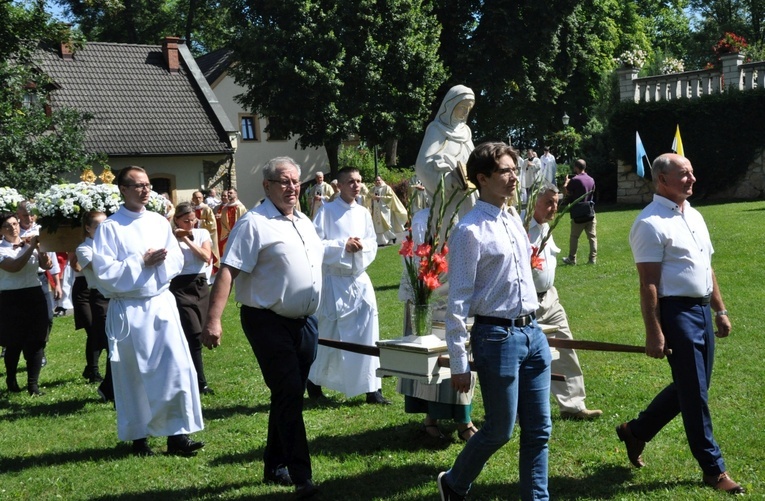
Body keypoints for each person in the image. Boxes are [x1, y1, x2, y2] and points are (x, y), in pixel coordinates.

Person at [617, 153, 744, 495]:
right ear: (662, 180)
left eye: (691, 172)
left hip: (702, 310)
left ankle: (636, 431)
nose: (692, 179)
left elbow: (707, 267)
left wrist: (720, 310)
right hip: (676, 313)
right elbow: (649, 284)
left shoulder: (694, 216)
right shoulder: (650, 223)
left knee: (692, 387)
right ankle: (714, 470)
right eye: (684, 174)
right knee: (695, 394)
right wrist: (654, 330)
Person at [202, 156, 322, 498]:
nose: (292, 188)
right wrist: (213, 319)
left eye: (296, 181)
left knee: (289, 394)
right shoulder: (253, 223)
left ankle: (274, 464)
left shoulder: (304, 221)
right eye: (284, 181)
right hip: (267, 321)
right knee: (288, 393)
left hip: (304, 323)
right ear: (267, 186)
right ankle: (303, 477)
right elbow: (228, 270)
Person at [438, 142, 551, 501]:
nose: (513, 176)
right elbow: (456, 300)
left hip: (532, 333)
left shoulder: (513, 218)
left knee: (540, 430)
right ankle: (454, 483)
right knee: (500, 430)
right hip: (496, 338)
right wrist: (459, 361)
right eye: (505, 170)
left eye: (514, 169)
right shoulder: (469, 231)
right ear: (483, 179)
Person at [92, 166, 204, 457]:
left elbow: (177, 258)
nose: (145, 190)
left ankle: (177, 435)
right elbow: (104, 273)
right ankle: (139, 437)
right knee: (135, 375)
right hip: (130, 309)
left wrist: (159, 264)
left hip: (160, 303)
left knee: (175, 369)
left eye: (148, 185)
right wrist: (140, 262)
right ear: (124, 190)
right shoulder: (111, 227)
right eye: (138, 185)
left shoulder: (158, 221)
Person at [306, 167, 389, 405]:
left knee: (367, 332)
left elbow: (373, 242)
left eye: (359, 181)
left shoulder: (363, 212)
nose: (356, 185)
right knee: (330, 334)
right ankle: (314, 383)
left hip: (359, 278)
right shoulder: (326, 211)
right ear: (339, 185)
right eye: (351, 181)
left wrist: (362, 247)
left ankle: (372, 388)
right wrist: (343, 245)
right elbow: (316, 244)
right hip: (334, 279)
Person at [397, 208, 477, 442]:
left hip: (459, 290)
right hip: (430, 293)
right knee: (431, 360)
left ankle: (464, 419)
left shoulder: (468, 211)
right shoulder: (423, 218)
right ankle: (431, 418)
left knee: (462, 355)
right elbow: (415, 256)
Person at [528, 183, 602, 420]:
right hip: (526, 303)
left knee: (566, 346)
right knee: (526, 357)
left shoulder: (546, 226)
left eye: (557, 202)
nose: (554, 207)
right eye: (549, 202)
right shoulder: (519, 227)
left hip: (550, 298)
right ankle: (520, 410)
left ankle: (573, 406)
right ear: (534, 202)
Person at [0, 213, 52, 396]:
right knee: (13, 342)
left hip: (34, 293)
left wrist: (41, 249)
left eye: (15, 224)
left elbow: (47, 266)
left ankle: (33, 386)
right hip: (10, 298)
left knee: (37, 340)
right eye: (7, 225)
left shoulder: (28, 243)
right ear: (1, 230)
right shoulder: (1, 249)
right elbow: (14, 267)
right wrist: (30, 248)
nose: (13, 228)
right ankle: (11, 378)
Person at [415, 84, 477, 226]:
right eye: (462, 107)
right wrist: (448, 181)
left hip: (471, 197)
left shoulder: (466, 132)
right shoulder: (436, 130)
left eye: (468, 108)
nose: (465, 112)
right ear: (450, 105)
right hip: (449, 201)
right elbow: (422, 166)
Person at [171, 202, 214, 395]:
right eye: (185, 221)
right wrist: (177, 237)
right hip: (179, 286)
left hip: (200, 284)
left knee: (201, 333)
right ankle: (200, 382)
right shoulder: (169, 237)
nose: (190, 223)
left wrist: (188, 240)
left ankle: (190, 376)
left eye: (192, 220)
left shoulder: (202, 233)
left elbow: (205, 256)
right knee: (193, 334)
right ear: (176, 220)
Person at [74, 211, 114, 402]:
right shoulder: (83, 248)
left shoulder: (112, 245)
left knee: (117, 344)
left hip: (116, 296)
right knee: (110, 343)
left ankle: (109, 386)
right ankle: (108, 386)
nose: (103, 230)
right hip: (100, 297)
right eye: (98, 226)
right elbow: (99, 268)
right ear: (88, 228)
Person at [17, 200, 60, 367]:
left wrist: (56, 281)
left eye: (32, 214)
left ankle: (40, 350)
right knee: (23, 320)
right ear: (18, 215)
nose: (29, 218)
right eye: (25, 215)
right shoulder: (12, 230)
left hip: (40, 276)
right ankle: (23, 350)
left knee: (48, 317)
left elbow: (53, 256)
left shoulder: (42, 229)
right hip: (20, 277)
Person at [561, 159, 597, 265]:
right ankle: (592, 259)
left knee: (574, 237)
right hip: (590, 211)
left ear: (576, 167)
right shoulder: (591, 179)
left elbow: (566, 192)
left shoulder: (575, 180)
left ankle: (572, 259)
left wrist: (566, 182)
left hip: (578, 213)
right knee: (592, 237)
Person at [370, 175, 407, 246]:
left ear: (382, 180)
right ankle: (381, 241)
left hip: (384, 209)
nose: (377, 182)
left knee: (386, 224)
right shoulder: (373, 188)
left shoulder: (386, 187)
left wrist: (380, 197)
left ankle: (392, 236)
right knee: (378, 225)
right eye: (376, 180)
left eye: (379, 180)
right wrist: (372, 197)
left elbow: (390, 197)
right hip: (376, 209)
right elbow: (368, 195)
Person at [191, 190, 220, 267]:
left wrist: (199, 222)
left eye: (199, 198)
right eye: (196, 198)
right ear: (192, 199)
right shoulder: (191, 209)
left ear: (203, 198)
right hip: (193, 234)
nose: (198, 199)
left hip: (204, 236)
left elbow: (212, 224)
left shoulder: (207, 209)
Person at [219, 188, 247, 254]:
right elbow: (222, 223)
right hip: (228, 236)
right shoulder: (225, 209)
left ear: (236, 194)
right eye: (228, 193)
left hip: (239, 235)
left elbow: (245, 222)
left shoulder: (241, 208)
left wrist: (236, 232)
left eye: (231, 193)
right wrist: (228, 233)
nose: (229, 194)